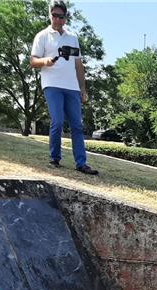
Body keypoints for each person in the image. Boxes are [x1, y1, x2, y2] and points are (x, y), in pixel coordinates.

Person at [30, 0, 98, 175]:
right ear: (50, 15)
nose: (58, 19)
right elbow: (33, 61)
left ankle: (81, 163)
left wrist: (83, 89)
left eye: (61, 16)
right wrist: (46, 61)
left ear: (66, 18)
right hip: (52, 84)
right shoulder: (42, 36)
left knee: (77, 125)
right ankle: (55, 158)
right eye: (54, 15)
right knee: (58, 121)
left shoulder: (72, 37)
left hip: (72, 86)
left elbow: (78, 65)